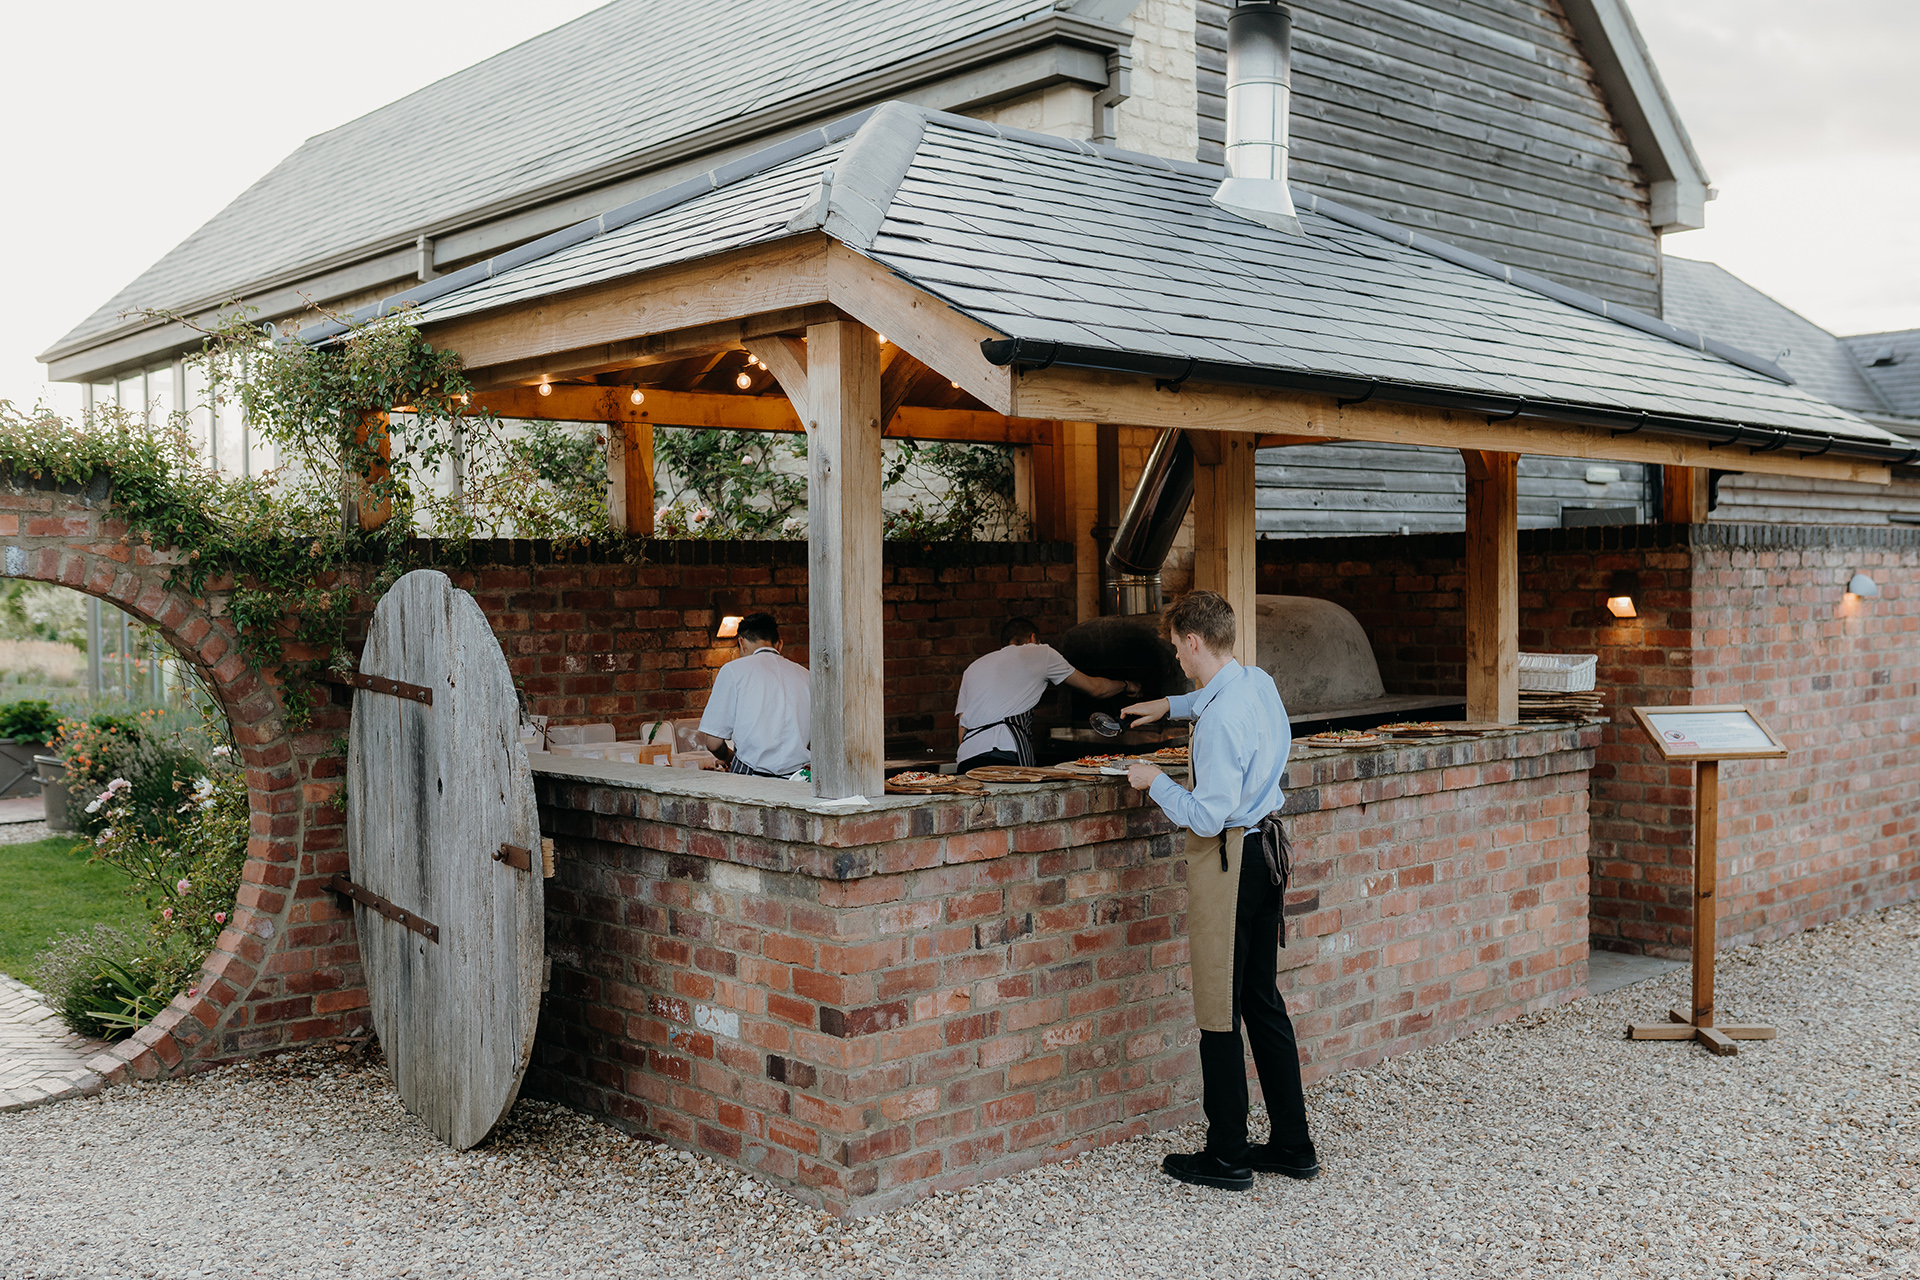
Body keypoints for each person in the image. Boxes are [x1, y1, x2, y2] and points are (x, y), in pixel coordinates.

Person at [1120, 590, 1317, 1190]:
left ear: (1194, 641)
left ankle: (1227, 1155)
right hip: (1267, 853)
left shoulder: (1221, 723)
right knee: (1262, 1001)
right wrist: (1168, 705)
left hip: (1227, 861)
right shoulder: (1256, 683)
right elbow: (1209, 697)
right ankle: (1292, 1145)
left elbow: (1207, 816)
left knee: (1217, 1011)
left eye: (1178, 646)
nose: (1177, 656)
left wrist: (1154, 780)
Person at [955, 617, 1138, 767]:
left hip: (967, 756)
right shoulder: (1039, 652)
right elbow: (1096, 689)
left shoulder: (973, 667)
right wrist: (1127, 685)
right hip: (1005, 752)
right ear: (1033, 638)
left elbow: (962, 726)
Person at [696, 612, 810, 778]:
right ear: (779, 645)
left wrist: (729, 758)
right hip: (798, 780)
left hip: (751, 779)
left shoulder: (733, 671)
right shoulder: (806, 676)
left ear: (741, 643)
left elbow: (713, 743)